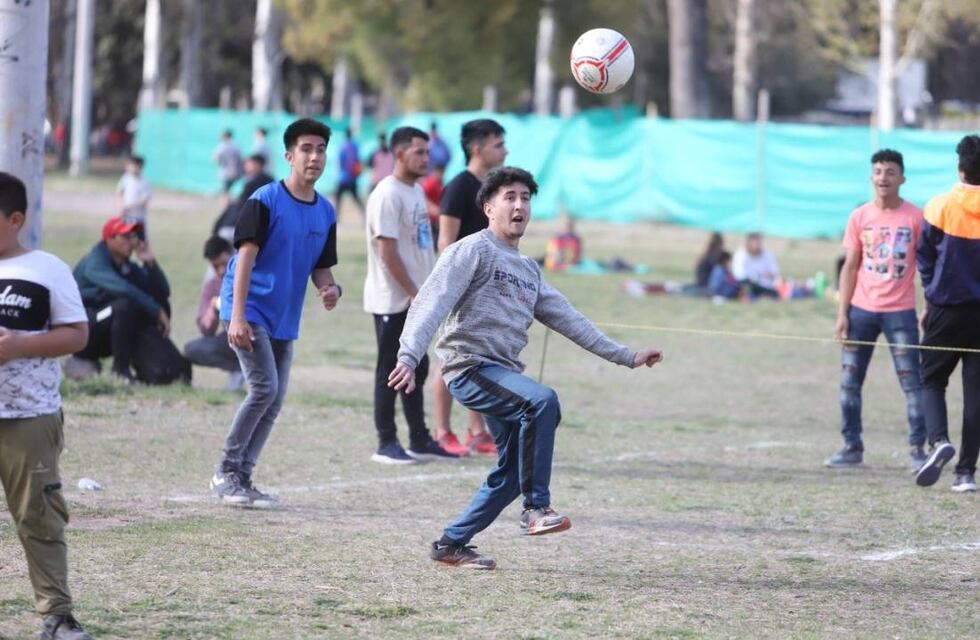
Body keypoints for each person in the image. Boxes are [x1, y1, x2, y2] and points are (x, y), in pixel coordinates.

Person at [389, 167, 664, 569]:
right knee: (542, 402)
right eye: (510, 197)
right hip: (469, 368)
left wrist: (626, 355)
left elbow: (568, 318)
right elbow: (431, 301)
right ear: (489, 208)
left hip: (503, 377)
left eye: (525, 198)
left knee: (514, 470)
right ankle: (536, 508)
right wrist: (409, 355)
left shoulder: (528, 269)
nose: (519, 205)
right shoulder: (472, 250)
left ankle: (451, 543)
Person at [210, 118, 341, 508]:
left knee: (275, 398)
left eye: (320, 150)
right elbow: (243, 260)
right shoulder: (264, 200)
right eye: (306, 149)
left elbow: (322, 267)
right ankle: (225, 472)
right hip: (249, 308)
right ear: (288, 156)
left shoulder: (326, 211)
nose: (314, 157)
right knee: (264, 388)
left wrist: (329, 288)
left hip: (284, 315)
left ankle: (243, 478)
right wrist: (236, 316)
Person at [0, 172, 95, 640]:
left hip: (28, 418)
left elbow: (77, 335)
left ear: (15, 219)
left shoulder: (46, 269)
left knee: (38, 516)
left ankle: (56, 615)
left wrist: (19, 345)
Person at [825, 149, 926, 470]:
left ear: (902, 179)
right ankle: (851, 447)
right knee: (849, 382)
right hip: (861, 311)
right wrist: (842, 314)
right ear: (872, 177)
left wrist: (928, 307)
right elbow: (849, 267)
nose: (884, 178)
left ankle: (918, 451)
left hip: (901, 313)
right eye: (879, 172)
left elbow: (928, 267)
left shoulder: (916, 217)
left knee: (912, 383)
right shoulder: (859, 216)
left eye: (890, 172)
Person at [363, 127, 457, 464]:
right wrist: (414, 292)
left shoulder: (415, 190)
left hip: (418, 298)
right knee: (390, 369)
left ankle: (419, 438)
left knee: (417, 367)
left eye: (427, 152)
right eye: (419, 152)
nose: (426, 158)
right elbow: (387, 253)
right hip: (395, 299)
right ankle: (386, 441)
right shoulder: (387, 194)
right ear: (400, 154)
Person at [433, 118, 509, 456]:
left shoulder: (494, 188)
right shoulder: (459, 187)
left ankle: (476, 432)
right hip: (461, 288)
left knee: (480, 358)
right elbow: (446, 244)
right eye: (498, 145)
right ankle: (442, 432)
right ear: (477, 149)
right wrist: (458, 287)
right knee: (449, 359)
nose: (505, 151)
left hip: (488, 289)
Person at [914, 134, 980, 493]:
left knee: (931, 379)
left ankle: (938, 440)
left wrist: (931, 291)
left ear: (960, 168)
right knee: (976, 395)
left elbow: (924, 255)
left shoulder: (939, 205)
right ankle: (966, 473)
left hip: (945, 310)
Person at [69, 217, 188, 385]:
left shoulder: (126, 266)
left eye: (133, 236)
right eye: (125, 236)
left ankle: (154, 368)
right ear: (109, 239)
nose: (131, 241)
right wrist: (156, 311)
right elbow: (123, 289)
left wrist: (150, 263)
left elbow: (162, 292)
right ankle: (120, 371)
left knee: (156, 304)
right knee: (125, 306)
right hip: (86, 331)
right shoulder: (95, 262)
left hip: (109, 329)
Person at [184, 236, 244, 391]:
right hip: (231, 338)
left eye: (225, 263)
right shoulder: (212, 286)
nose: (221, 270)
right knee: (192, 349)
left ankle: (250, 367)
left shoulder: (246, 275)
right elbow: (206, 330)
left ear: (233, 256)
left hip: (255, 334)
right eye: (215, 266)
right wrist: (213, 307)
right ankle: (239, 368)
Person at [211, 155, 274, 242]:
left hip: (239, 227)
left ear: (257, 165)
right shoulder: (247, 180)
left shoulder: (260, 182)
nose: (245, 166)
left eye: (248, 164)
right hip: (234, 225)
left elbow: (243, 204)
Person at [732, 232, 780, 298]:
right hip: (748, 284)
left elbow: (774, 272)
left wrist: (766, 275)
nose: (757, 245)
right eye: (754, 242)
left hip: (766, 285)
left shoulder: (768, 254)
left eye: (758, 242)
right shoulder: (740, 255)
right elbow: (739, 275)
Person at [115, 155, 152, 235]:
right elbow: (119, 192)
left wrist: (129, 207)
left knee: (139, 240)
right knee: (124, 239)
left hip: (138, 218)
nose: (132, 168)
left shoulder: (144, 182)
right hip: (126, 217)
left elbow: (145, 200)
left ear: (140, 167)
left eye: (135, 166)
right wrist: (121, 205)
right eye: (130, 165)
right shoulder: (125, 179)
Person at [335, 128, 363, 215]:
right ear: (351, 135)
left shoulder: (342, 146)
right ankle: (365, 213)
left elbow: (339, 162)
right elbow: (358, 160)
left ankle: (336, 216)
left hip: (343, 177)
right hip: (353, 177)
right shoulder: (355, 146)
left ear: (345, 135)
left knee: (338, 198)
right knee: (356, 197)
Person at [212, 129, 242, 194]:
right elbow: (240, 159)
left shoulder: (221, 147)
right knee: (227, 190)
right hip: (235, 172)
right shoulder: (236, 146)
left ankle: (224, 199)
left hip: (225, 172)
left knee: (225, 191)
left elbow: (216, 159)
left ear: (224, 136)